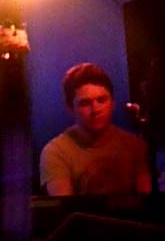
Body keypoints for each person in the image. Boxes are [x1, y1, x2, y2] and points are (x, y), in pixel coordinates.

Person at [39, 62, 151, 196]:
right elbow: (64, 204)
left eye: (101, 100)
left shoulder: (135, 146)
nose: (95, 109)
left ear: (113, 103)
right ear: (70, 108)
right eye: (85, 103)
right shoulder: (56, 152)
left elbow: (147, 201)